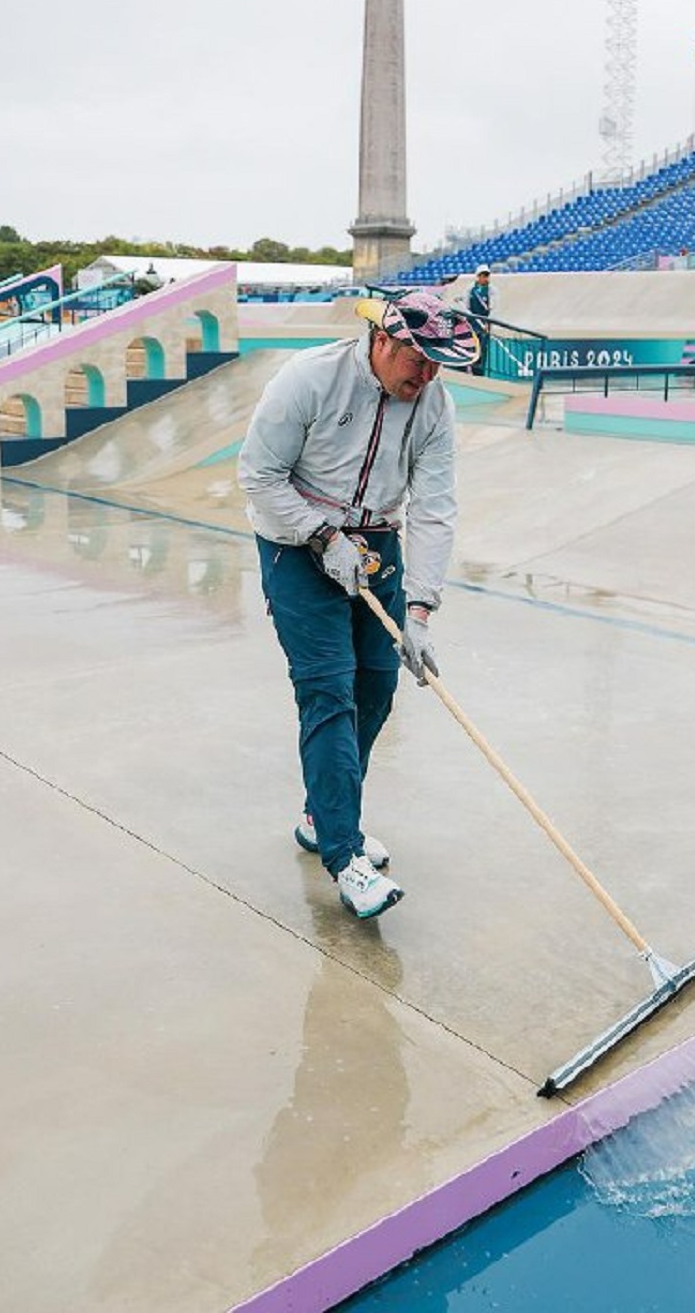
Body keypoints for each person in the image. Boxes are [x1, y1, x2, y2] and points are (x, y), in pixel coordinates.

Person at [238, 288, 480, 920]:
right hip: (294, 542)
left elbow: (434, 507)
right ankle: (345, 857)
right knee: (329, 691)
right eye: (418, 361)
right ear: (383, 340)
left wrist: (421, 611)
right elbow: (258, 476)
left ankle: (324, 815)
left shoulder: (434, 405)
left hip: (377, 540)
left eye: (437, 365)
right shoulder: (308, 380)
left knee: (377, 687)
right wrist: (321, 535)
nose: (426, 376)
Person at [467, 264, 491, 376]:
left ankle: (479, 372)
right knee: (472, 348)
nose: (485, 278)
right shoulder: (470, 289)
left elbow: (493, 308)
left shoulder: (491, 290)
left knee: (482, 349)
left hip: (484, 325)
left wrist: (488, 323)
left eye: (486, 275)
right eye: (483, 275)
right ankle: (471, 368)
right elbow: (467, 306)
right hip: (472, 324)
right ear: (478, 276)